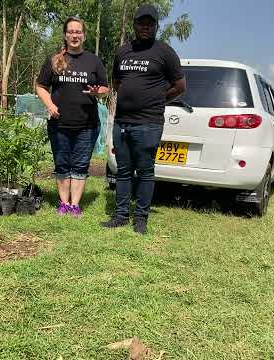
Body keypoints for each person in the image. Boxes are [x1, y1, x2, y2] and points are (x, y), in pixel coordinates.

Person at [101, 4, 186, 234]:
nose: (145, 27)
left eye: (150, 23)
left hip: (149, 123)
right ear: (134, 25)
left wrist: (159, 98)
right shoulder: (123, 51)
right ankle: (120, 215)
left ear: (156, 26)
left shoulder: (165, 52)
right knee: (123, 170)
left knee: (145, 171)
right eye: (141, 23)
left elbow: (179, 86)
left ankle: (141, 219)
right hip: (122, 122)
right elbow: (116, 82)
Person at [36, 16, 109, 217]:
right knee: (62, 163)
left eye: (78, 32)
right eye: (71, 32)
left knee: (80, 164)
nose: (74, 35)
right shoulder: (54, 60)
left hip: (87, 124)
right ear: (65, 35)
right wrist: (50, 105)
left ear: (84, 35)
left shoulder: (93, 60)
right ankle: (63, 203)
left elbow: (105, 88)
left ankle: (75, 205)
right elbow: (41, 86)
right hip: (59, 123)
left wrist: (98, 92)